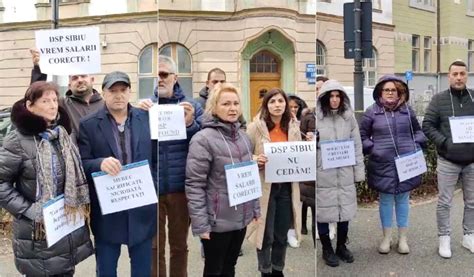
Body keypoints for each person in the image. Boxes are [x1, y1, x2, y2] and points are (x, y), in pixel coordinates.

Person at [0, 81, 93, 276]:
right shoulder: (17, 141)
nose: (53, 105)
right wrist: (28, 209)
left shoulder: (63, 135)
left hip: (64, 228)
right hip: (38, 233)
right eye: (45, 100)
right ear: (29, 106)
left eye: (54, 100)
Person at [78, 71, 157, 276]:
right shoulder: (88, 125)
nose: (118, 95)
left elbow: (158, 159)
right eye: (113, 91)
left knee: (142, 270)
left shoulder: (147, 118)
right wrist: (99, 163)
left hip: (141, 207)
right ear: (103, 93)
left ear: (130, 92)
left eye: (123, 90)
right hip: (108, 210)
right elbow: (82, 164)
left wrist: (154, 189)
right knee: (106, 269)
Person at [186, 83, 260, 276]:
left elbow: (249, 177)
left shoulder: (244, 138)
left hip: (240, 219)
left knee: (230, 267)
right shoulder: (203, 139)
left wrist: (255, 208)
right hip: (217, 222)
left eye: (236, 103)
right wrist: (201, 224)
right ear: (214, 107)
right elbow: (195, 185)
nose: (233, 108)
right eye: (226, 103)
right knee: (214, 270)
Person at [359, 75, 427, 255]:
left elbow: (419, 132)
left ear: (399, 93)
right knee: (386, 200)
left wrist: (416, 144)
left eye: (393, 90)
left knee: (403, 199)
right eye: (386, 90)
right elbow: (362, 136)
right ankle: (386, 238)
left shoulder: (407, 110)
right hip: (382, 163)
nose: (390, 93)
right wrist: (373, 149)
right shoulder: (371, 111)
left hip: (406, 162)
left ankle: (403, 238)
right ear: (380, 92)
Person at [246, 88, 302, 276]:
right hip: (264, 187)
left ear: (286, 104)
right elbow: (244, 154)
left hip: (286, 187)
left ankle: (278, 269)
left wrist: (307, 144)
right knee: (265, 233)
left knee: (281, 233)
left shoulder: (293, 126)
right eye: (272, 101)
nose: (277, 105)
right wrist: (255, 159)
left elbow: (299, 156)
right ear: (266, 105)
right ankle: (265, 270)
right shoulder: (255, 127)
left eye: (280, 101)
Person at [156, 55, 203, 277]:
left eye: (164, 74)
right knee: (154, 247)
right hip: (153, 189)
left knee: (179, 246)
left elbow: (205, 142)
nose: (159, 79)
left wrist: (191, 124)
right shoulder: (144, 107)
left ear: (175, 77)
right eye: (156, 75)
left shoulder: (192, 106)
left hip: (181, 189)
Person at [422, 60, 474, 258]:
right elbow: (427, 125)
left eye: (462, 73)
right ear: (448, 76)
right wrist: (444, 142)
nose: (459, 77)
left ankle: (469, 234)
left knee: (472, 202)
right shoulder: (438, 100)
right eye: (455, 74)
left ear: (466, 75)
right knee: (444, 202)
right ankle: (444, 237)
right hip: (448, 160)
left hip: (472, 161)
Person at [316, 80, 365, 267]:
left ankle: (341, 246)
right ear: (325, 98)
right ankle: (327, 248)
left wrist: (358, 172)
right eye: (331, 96)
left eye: (338, 96)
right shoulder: (317, 118)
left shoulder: (349, 118)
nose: (335, 100)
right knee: (323, 213)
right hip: (324, 173)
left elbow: (357, 145)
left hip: (344, 171)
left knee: (344, 211)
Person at [29, 49, 104, 143]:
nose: (79, 80)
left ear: (92, 80)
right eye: (75, 78)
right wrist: (39, 70)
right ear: (69, 85)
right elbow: (37, 100)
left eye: (83, 76)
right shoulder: (61, 105)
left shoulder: (106, 105)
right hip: (73, 156)